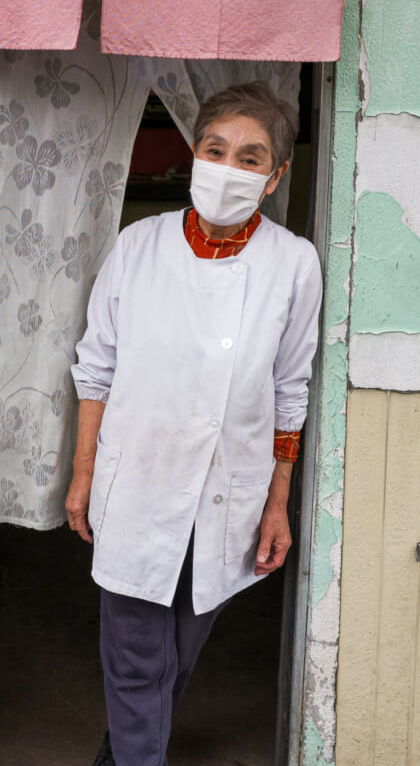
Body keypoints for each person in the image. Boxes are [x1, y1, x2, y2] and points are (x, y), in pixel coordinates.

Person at [65, 81, 322, 766]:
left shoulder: (294, 264)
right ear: (194, 156)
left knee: (174, 655)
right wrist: (83, 474)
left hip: (226, 495)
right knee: (135, 661)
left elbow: (290, 389)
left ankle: (119, 755)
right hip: (138, 482)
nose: (229, 167)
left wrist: (278, 502)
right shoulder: (138, 247)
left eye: (250, 156)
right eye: (216, 150)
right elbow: (97, 371)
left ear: (274, 177)